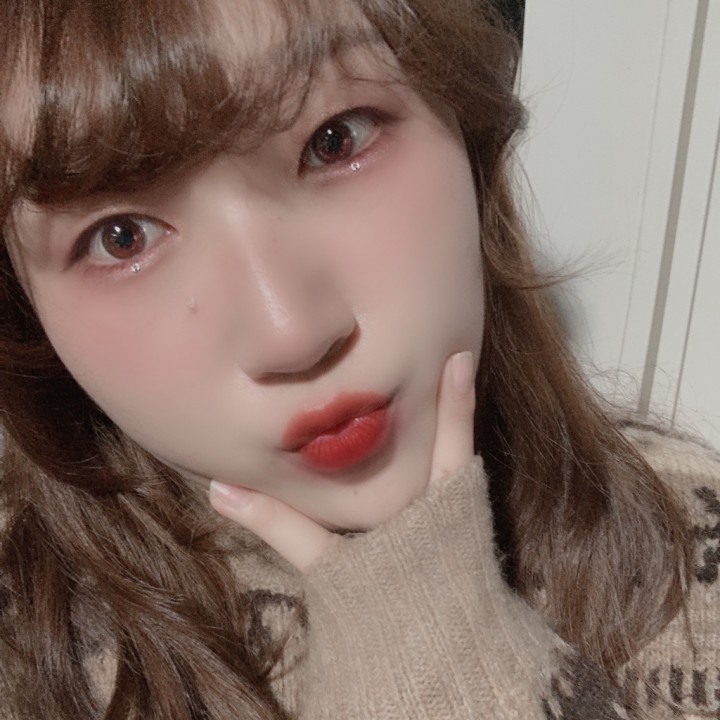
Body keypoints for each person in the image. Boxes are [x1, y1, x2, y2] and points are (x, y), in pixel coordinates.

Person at [0, 0, 718, 718]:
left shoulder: (695, 568)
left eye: (334, 141)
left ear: (466, 128)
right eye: (122, 237)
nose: (292, 334)